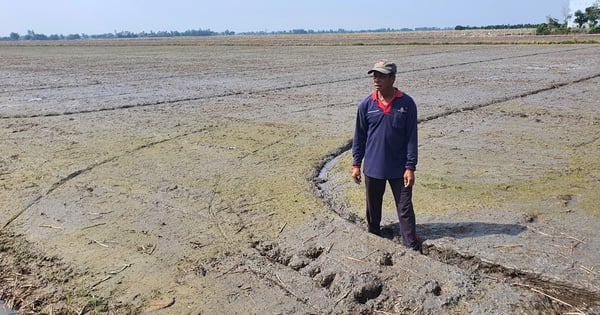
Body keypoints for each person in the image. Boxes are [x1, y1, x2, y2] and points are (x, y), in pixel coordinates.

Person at [351, 60, 421, 252]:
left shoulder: (406, 104)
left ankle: (411, 246)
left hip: (399, 168)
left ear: (393, 78)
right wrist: (356, 164)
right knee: (373, 208)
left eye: (381, 76)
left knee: (405, 208)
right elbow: (360, 136)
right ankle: (374, 238)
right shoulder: (366, 105)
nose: (376, 80)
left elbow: (411, 138)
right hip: (373, 168)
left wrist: (410, 167)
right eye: (374, 75)